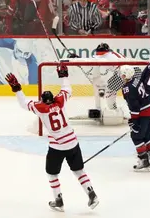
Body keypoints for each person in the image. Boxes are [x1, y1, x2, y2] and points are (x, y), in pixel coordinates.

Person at [5, 64, 99, 212]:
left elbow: (24, 103)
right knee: (79, 171)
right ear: (53, 98)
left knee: (52, 173)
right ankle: (92, 194)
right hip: (73, 142)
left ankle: (59, 200)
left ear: (42, 100)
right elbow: (67, 89)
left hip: (57, 146)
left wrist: (17, 89)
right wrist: (64, 76)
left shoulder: (40, 107)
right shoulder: (60, 101)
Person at [119, 65, 150, 170]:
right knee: (146, 136)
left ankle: (144, 160)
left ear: (125, 75)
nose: (121, 76)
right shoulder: (137, 80)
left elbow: (134, 105)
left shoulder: (127, 88)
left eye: (122, 74)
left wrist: (134, 120)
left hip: (144, 113)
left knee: (136, 136)